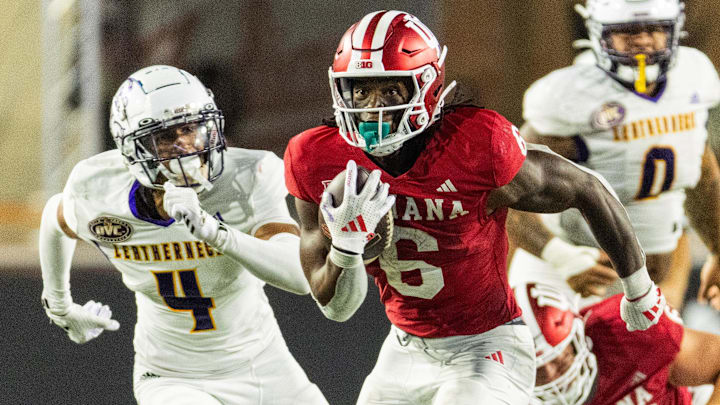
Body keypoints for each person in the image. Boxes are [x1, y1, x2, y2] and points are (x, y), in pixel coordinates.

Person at [284, 10, 664, 405]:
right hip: (404, 348)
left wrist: (639, 290)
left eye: (390, 91)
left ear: (426, 87)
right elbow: (338, 310)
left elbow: (586, 188)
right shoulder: (316, 158)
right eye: (360, 91)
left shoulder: (475, 145)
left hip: (486, 345)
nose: (372, 110)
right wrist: (346, 249)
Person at [39, 65, 327, 405]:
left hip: (262, 363)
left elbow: (299, 276)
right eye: (165, 137)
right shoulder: (100, 189)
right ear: (135, 150)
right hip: (171, 377)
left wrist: (214, 232)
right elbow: (55, 219)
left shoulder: (249, 176)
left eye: (191, 128)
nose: (186, 146)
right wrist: (59, 306)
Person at [507, 0, 720, 310]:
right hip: (574, 280)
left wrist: (717, 249)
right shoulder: (573, 96)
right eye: (628, 31)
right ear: (597, 34)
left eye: (655, 29)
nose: (644, 41)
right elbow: (503, 188)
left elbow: (702, 174)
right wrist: (561, 257)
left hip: (648, 286)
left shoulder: (693, 76)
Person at [514, 281, 720, 405]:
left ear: (577, 334)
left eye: (560, 357)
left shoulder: (626, 332)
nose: (555, 377)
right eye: (539, 370)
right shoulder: (499, 392)